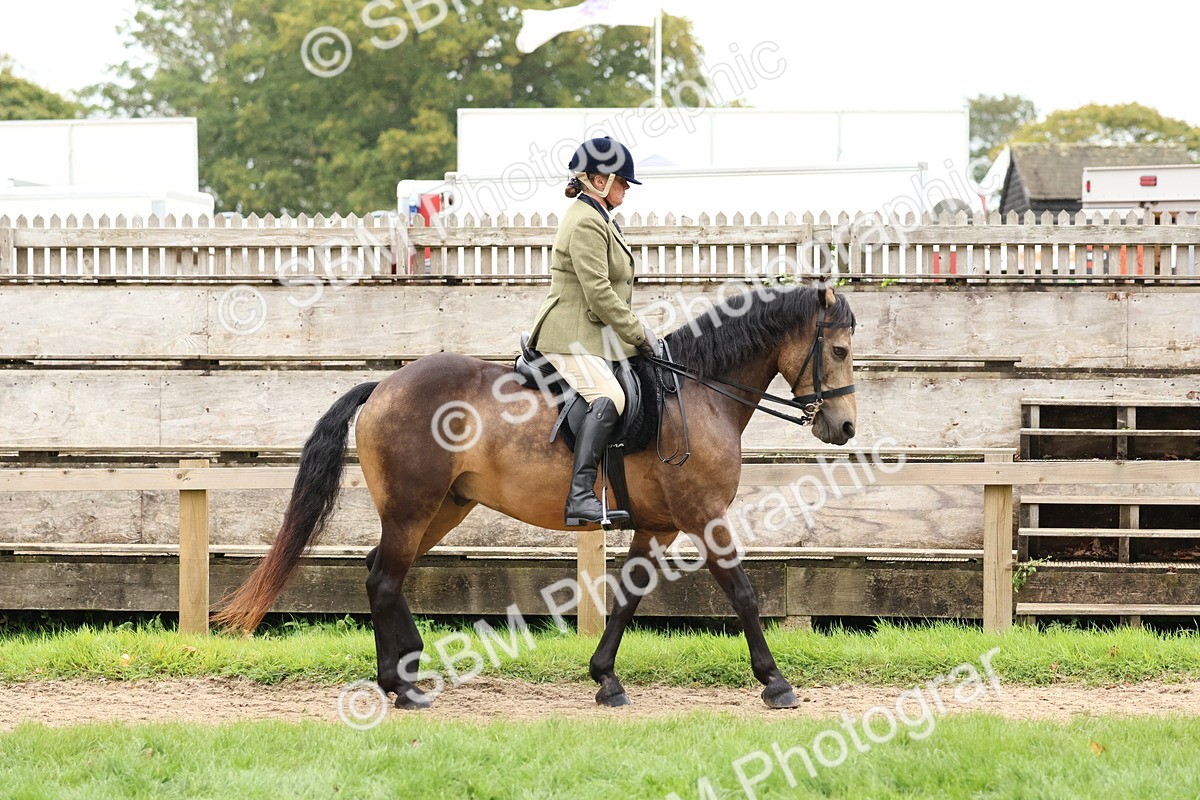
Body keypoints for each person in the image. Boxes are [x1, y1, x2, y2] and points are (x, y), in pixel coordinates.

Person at [527, 136, 654, 527]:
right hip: (568, 335)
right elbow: (599, 294)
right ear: (600, 180)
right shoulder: (585, 222)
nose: (627, 188)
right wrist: (638, 333)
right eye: (622, 181)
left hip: (593, 335)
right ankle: (580, 496)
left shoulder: (600, 218)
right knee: (610, 395)